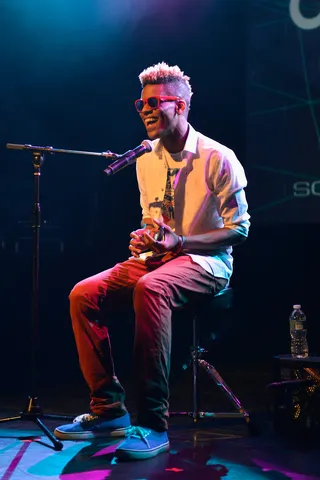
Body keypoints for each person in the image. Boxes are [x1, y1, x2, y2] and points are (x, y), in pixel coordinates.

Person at [54, 62, 250, 461]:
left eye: (153, 102)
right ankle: (109, 410)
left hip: (207, 261)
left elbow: (239, 229)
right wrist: (146, 237)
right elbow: (154, 221)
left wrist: (181, 241)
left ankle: (152, 423)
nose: (144, 110)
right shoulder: (146, 159)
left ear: (179, 105)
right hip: (159, 258)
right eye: (140, 104)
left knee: (152, 287)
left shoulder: (218, 157)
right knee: (83, 294)